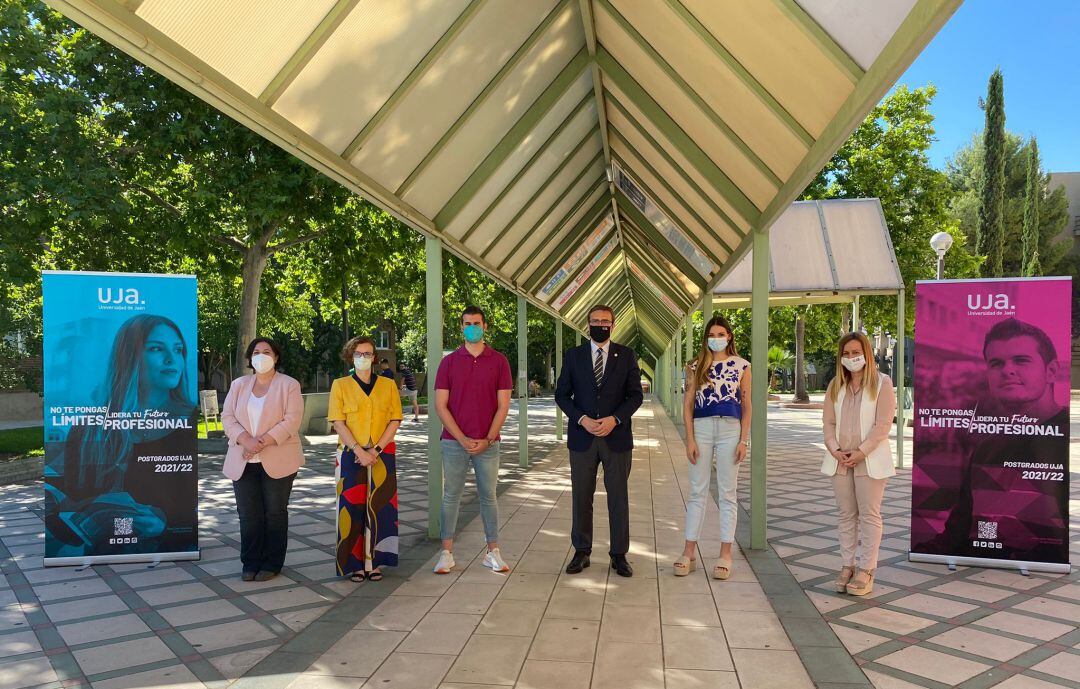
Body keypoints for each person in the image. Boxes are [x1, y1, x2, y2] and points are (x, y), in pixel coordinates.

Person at [51, 314, 198, 557]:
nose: (172, 359)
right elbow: (72, 499)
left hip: (175, 550)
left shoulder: (189, 420)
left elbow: (188, 507)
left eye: (178, 349)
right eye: (155, 349)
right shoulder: (89, 428)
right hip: (101, 550)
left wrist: (165, 527)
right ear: (129, 357)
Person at [928, 318, 1068, 563]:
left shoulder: (1062, 441)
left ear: (1051, 371)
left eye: (1021, 360)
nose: (1007, 370)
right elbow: (959, 530)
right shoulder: (988, 448)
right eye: (996, 363)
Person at [555, 304, 643, 577]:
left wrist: (614, 419)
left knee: (618, 498)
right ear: (588, 324)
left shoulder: (626, 356)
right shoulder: (573, 356)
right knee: (582, 497)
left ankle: (619, 555)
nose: (600, 325)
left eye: (605, 321)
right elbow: (562, 395)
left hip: (616, 438)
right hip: (582, 438)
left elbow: (635, 395)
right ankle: (581, 552)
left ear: (613, 325)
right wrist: (582, 419)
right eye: (595, 321)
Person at [432, 306, 513, 575]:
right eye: (467, 323)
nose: (472, 327)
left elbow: (503, 405)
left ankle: (493, 551)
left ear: (485, 326)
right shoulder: (448, 363)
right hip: (454, 442)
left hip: (488, 443)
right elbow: (440, 406)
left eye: (477, 323)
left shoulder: (499, 361)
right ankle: (446, 553)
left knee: (489, 496)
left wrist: (488, 439)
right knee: (450, 496)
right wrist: (462, 438)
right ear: (461, 327)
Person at [221, 338, 304, 582]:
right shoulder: (239, 385)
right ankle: (250, 562)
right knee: (248, 514)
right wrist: (245, 439)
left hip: (278, 458)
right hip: (243, 459)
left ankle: (272, 563)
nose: (261, 356)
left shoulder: (289, 385)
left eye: (267, 352)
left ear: (276, 357)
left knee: (275, 513)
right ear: (249, 358)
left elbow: (292, 420)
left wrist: (261, 441)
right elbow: (227, 417)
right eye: (256, 352)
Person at [676, 316, 751, 580]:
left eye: (721, 333)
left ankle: (726, 554)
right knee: (697, 490)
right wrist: (690, 438)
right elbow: (687, 403)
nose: (716, 337)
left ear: (729, 336)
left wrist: (744, 440)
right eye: (711, 333)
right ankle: (689, 552)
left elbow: (747, 405)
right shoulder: (696, 366)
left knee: (728, 493)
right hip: (702, 428)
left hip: (731, 429)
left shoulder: (742, 366)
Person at [822, 332, 896, 596]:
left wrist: (861, 452)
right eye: (846, 354)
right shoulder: (835, 385)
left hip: (870, 460)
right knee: (845, 515)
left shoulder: (882, 383)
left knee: (869, 515)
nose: (851, 358)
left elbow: (883, 425)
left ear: (866, 353)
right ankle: (847, 565)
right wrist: (836, 450)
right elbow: (828, 424)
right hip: (840, 460)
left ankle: (866, 570)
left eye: (856, 353)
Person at [328, 336, 403, 582]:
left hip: (382, 452)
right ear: (351, 356)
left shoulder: (387, 385)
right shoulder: (340, 385)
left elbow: (395, 419)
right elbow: (338, 421)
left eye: (368, 353)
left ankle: (376, 562)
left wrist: (376, 450)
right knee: (351, 508)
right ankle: (355, 564)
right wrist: (359, 450)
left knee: (381, 508)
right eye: (358, 353)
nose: (363, 357)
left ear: (374, 357)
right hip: (351, 453)